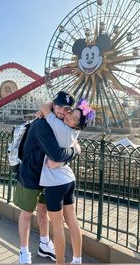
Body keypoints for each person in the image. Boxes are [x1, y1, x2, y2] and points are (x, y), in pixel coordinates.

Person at [13, 91, 80, 264]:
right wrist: (71, 153)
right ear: (53, 106)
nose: (63, 111)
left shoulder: (58, 123)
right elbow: (57, 153)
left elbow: (75, 142)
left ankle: (44, 244)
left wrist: (74, 150)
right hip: (31, 174)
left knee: (43, 211)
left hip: (48, 177)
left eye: (67, 109)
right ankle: (23, 252)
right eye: (59, 107)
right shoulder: (43, 124)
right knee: (27, 213)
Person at [38, 98, 95, 264]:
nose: (69, 117)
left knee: (57, 226)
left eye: (75, 118)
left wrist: (46, 108)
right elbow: (77, 147)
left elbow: (45, 106)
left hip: (55, 183)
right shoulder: (73, 133)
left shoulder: (60, 127)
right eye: (71, 113)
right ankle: (77, 259)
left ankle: (60, 262)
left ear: (77, 125)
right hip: (69, 180)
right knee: (72, 221)